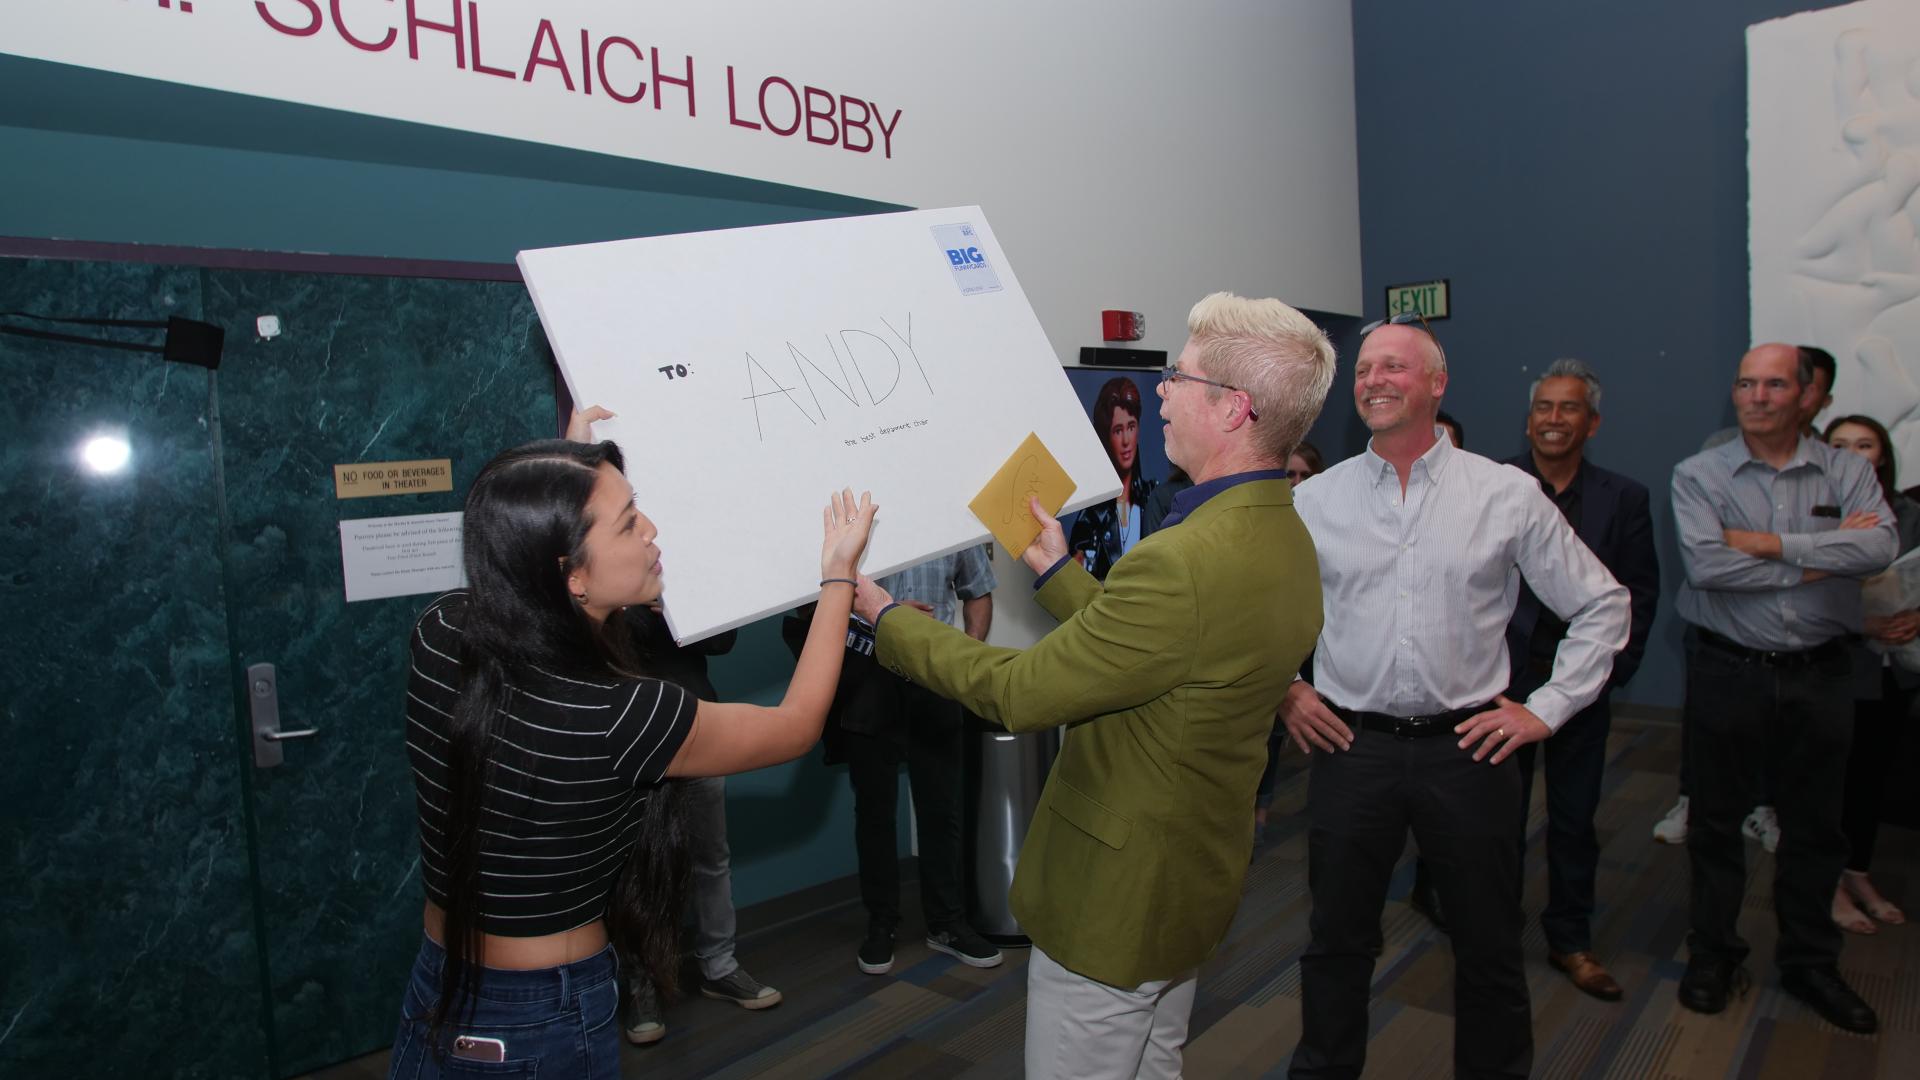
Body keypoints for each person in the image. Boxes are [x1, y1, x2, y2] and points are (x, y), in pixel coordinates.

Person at [852, 292, 1333, 1079]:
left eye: (1180, 375)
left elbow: (1021, 692)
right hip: (1188, 881)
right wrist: (1056, 569)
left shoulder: (1182, 559)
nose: (1161, 393)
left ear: (1235, 408)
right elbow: (1165, 649)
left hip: (1117, 896)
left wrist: (887, 618)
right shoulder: (1282, 537)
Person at [387, 413, 876, 1079]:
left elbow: (515, 562)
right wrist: (838, 577)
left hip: (438, 981)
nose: (651, 532)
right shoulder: (623, 717)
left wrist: (569, 467)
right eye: (628, 523)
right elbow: (794, 725)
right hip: (541, 1012)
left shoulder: (440, 635)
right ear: (572, 576)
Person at [1282, 313, 1629, 1080]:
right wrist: (1288, 688)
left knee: (1488, 945)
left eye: (1394, 367)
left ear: (1437, 384)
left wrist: (1546, 708)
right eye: (1365, 368)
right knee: (1336, 943)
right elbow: (1258, 611)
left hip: (1468, 753)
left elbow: (1604, 605)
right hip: (1352, 750)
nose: (1374, 379)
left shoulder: (1507, 495)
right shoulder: (1316, 501)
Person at [1670, 344, 1894, 1035]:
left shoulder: (1848, 469)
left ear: (1805, 396)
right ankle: (1713, 954)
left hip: (1820, 673)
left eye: (1773, 384)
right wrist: (1823, 558)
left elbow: (1878, 548)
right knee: (1714, 823)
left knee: (1815, 826)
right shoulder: (1699, 473)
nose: (1757, 396)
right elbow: (1707, 566)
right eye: (1745, 383)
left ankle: (1809, 964)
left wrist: (1768, 545)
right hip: (1727, 669)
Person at [1500, 358, 1659, 1001]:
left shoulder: (1624, 498)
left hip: (1580, 689)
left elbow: (1638, 593)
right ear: (1530, 417)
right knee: (1496, 820)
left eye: (1568, 409)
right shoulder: (1496, 485)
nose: (1553, 419)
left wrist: (1612, 672)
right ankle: (1495, 932)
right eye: (1543, 407)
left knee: (1574, 818)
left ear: (1592, 422)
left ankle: (1570, 938)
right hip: (1502, 687)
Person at [618, 616, 780, 1046]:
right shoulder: (603, 562)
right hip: (633, 730)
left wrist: (667, 607)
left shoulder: (685, 564)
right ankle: (643, 985)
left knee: (711, 858)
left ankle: (720, 968)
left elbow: (723, 639)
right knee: (638, 870)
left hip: (696, 722)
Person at [845, 548, 1002, 976]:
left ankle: (947, 923)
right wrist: (875, 618)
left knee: (941, 808)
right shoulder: (857, 523)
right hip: (869, 676)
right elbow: (819, 602)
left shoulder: (951, 522)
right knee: (874, 812)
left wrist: (964, 660)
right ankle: (881, 924)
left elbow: (979, 592)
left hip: (935, 681)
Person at [1823, 414, 1919, 935]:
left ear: (1882, 455)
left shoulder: (1908, 512)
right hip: (1835, 665)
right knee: (1830, 780)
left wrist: (1914, 617)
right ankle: (1828, 882)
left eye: (1865, 445)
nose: (1855, 454)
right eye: (1841, 445)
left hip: (1895, 666)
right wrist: (1864, 621)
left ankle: (1858, 872)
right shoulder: (1813, 511)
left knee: (1873, 776)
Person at [1254, 439, 1328, 841]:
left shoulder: (1330, 520)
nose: (1297, 483)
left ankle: (1268, 812)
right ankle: (1259, 815)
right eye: (1289, 474)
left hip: (1319, 642)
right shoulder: (1263, 522)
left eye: (1305, 475)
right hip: (1275, 646)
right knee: (1269, 733)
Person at [1069, 376, 1158, 579]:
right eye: (1118, 431)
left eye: (1131, 426)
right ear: (1106, 437)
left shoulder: (1155, 498)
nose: (1126, 440)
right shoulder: (1090, 519)